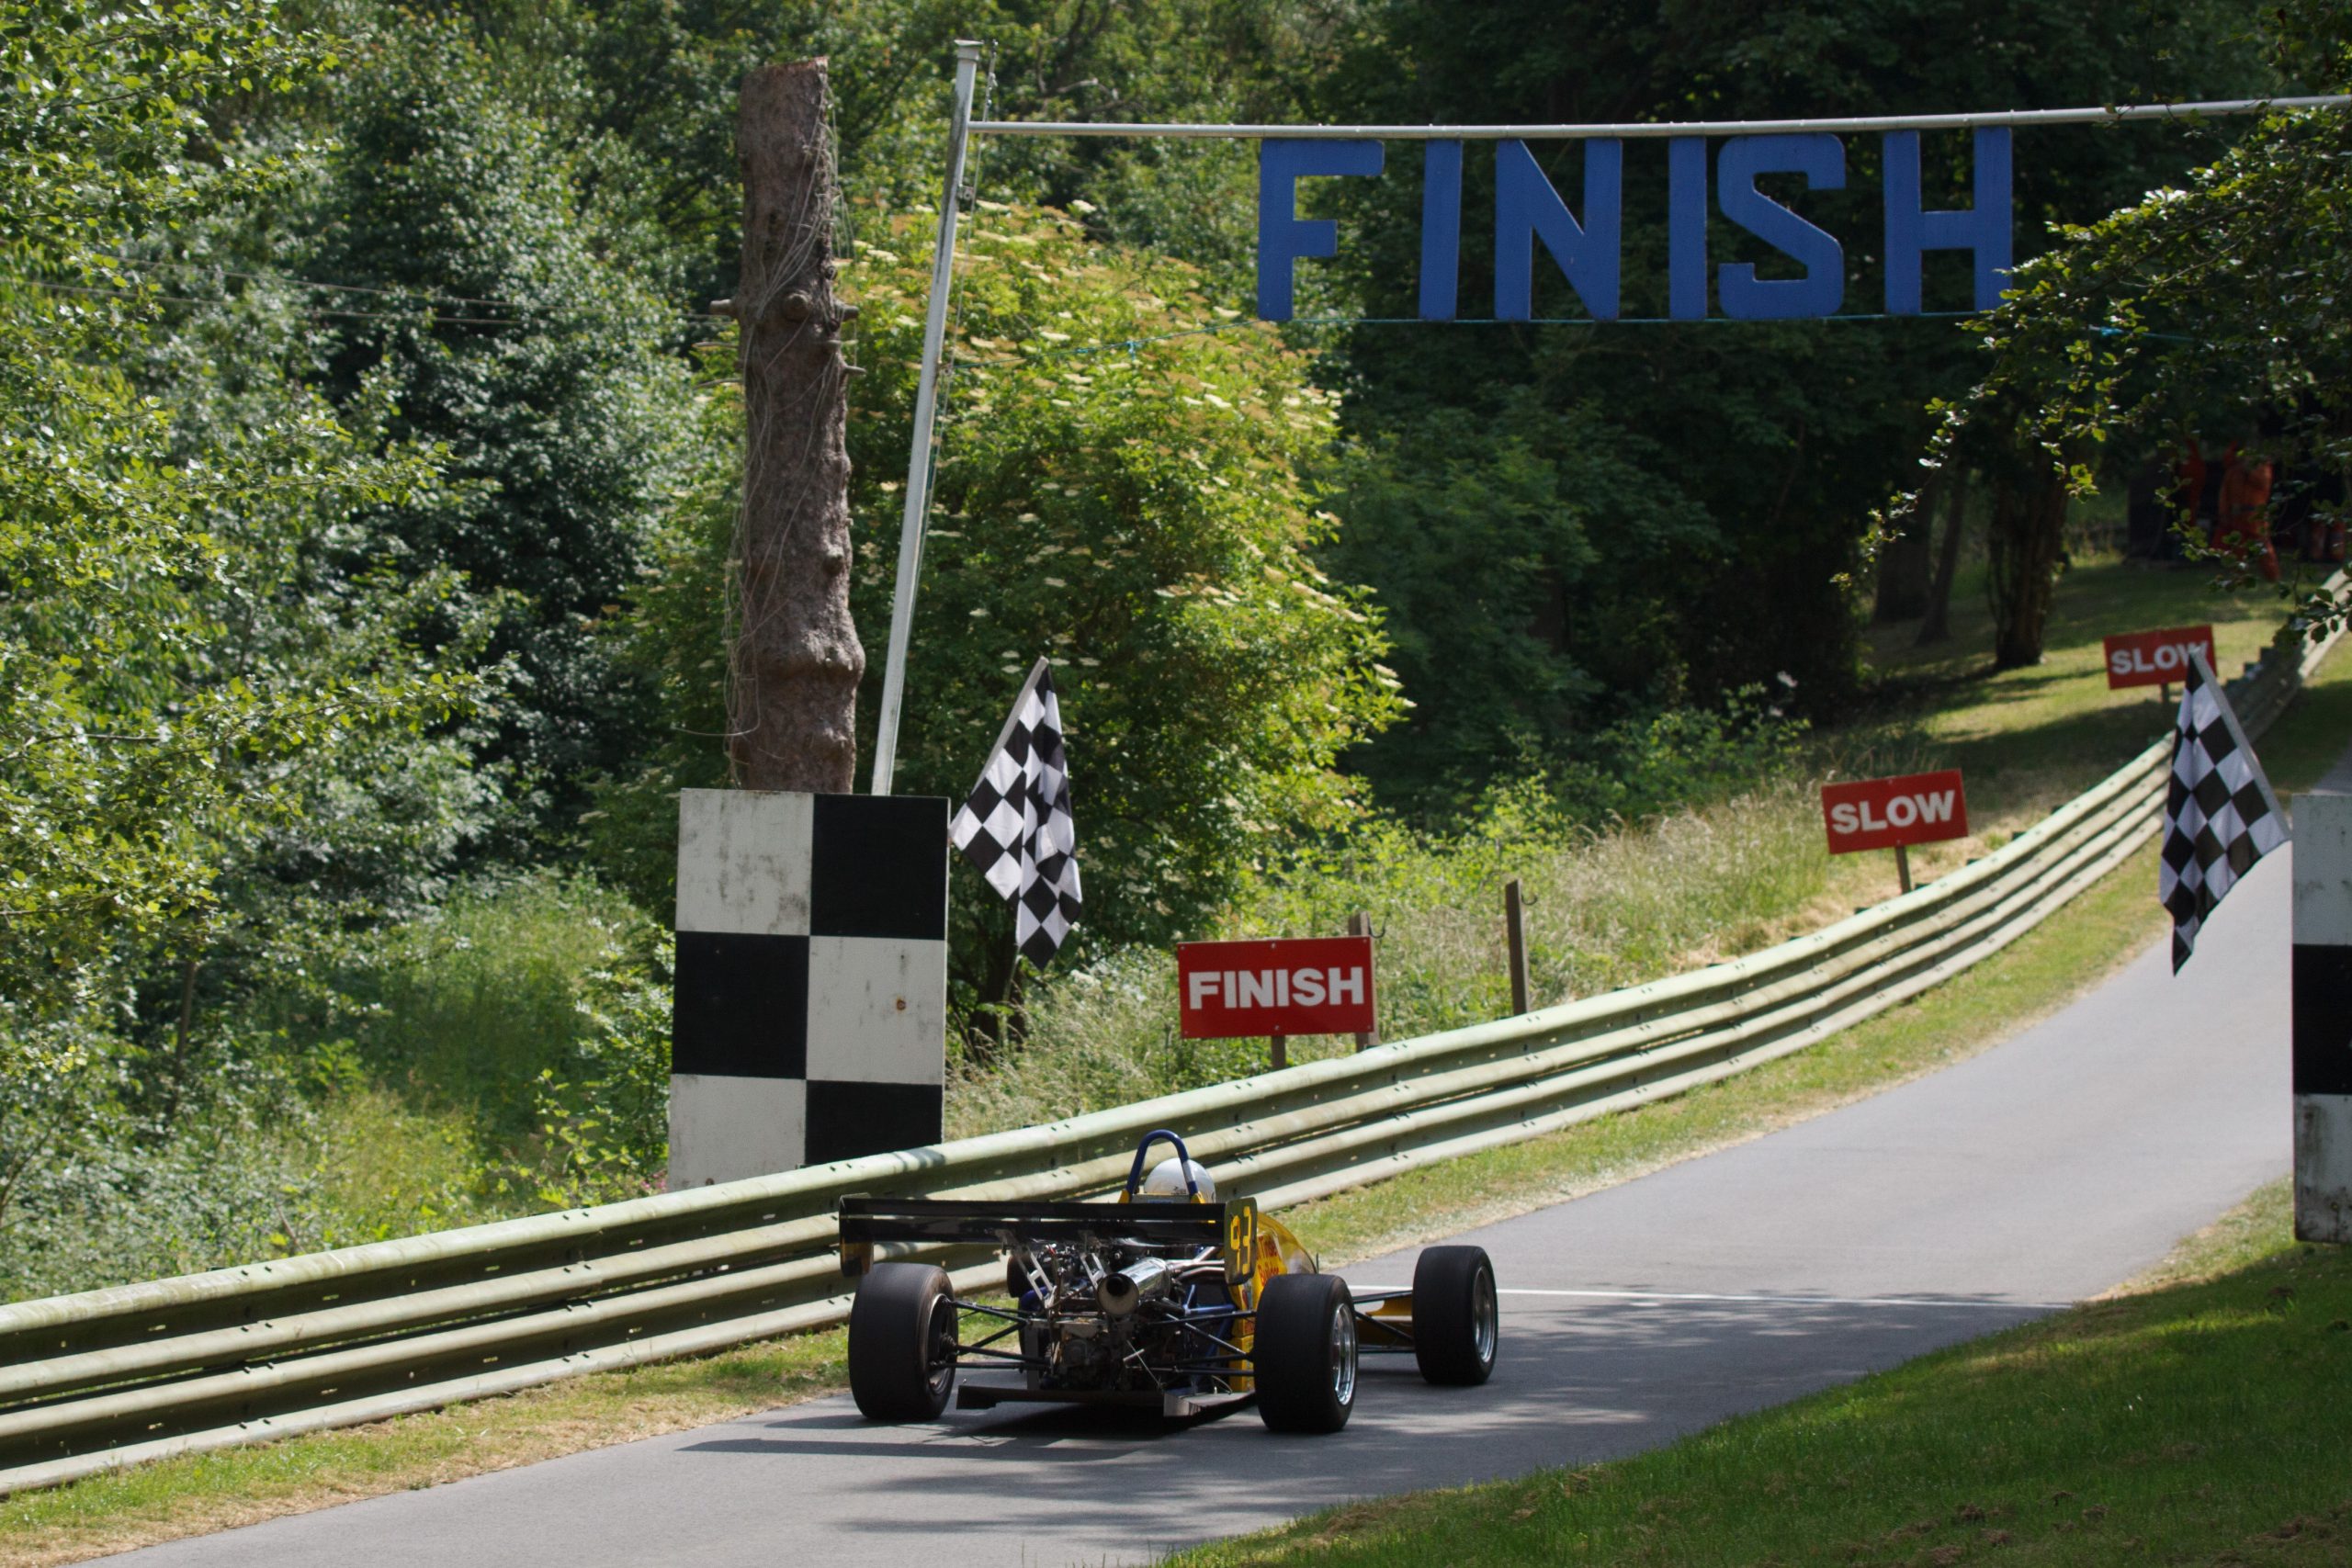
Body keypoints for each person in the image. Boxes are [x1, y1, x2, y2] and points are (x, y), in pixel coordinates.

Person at [2213, 440, 2279, 581]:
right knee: (2237, 549)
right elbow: (2224, 494)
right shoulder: (2232, 471)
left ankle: (2273, 577)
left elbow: (2262, 483)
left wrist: (2249, 468)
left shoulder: (2262, 467)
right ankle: (2238, 578)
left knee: (2262, 547)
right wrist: (2224, 513)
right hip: (2237, 515)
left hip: (2256, 515)